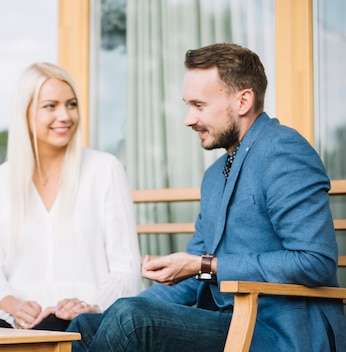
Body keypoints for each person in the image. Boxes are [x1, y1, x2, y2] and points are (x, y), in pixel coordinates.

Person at [67, 43, 346, 351]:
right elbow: (192, 277)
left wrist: (207, 265)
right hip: (228, 324)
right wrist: (107, 313)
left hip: (283, 333)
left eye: (199, 105)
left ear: (243, 101)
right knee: (86, 326)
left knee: (130, 319)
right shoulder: (214, 177)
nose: (188, 119)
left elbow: (315, 261)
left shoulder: (283, 151)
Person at [0, 62, 144, 331]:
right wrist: (15, 306)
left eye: (71, 105)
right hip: (13, 321)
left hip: (82, 319)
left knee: (53, 327)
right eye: (51, 106)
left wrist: (88, 304)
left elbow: (126, 271)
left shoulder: (105, 170)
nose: (65, 116)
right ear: (24, 113)